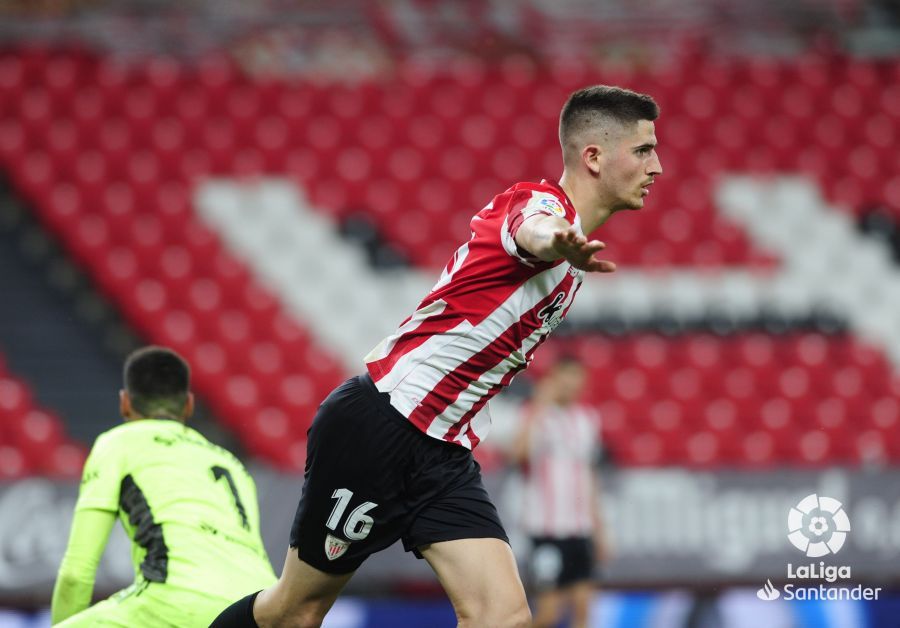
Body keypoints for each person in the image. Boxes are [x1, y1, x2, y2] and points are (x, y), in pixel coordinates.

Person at [212, 84, 661, 628]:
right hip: (384, 426)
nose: (656, 166)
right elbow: (533, 231)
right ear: (593, 156)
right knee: (295, 611)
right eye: (642, 150)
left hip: (444, 451)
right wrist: (558, 237)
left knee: (504, 617)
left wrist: (566, 245)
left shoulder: (573, 256)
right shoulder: (538, 207)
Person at [51, 346, 276, 626]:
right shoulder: (232, 464)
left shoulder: (118, 443)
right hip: (261, 606)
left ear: (124, 403)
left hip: (174, 601)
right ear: (189, 405)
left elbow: (76, 574)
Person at [508, 356, 608, 628]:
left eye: (577, 378)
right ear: (553, 379)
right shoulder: (536, 416)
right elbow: (518, 455)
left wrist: (600, 528)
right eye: (566, 377)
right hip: (545, 529)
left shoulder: (587, 419)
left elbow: (590, 475)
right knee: (549, 612)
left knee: (583, 609)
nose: (571, 384)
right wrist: (539, 405)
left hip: (580, 529)